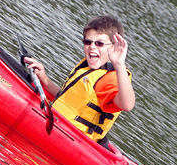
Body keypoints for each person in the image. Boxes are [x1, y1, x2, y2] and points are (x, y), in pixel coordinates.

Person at [24, 15, 135, 148]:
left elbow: (127, 105)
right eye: (88, 42)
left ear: (113, 47)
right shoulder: (88, 67)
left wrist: (119, 65)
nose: (92, 47)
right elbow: (68, 101)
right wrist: (44, 79)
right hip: (60, 125)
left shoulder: (110, 78)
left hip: (73, 141)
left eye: (99, 43)